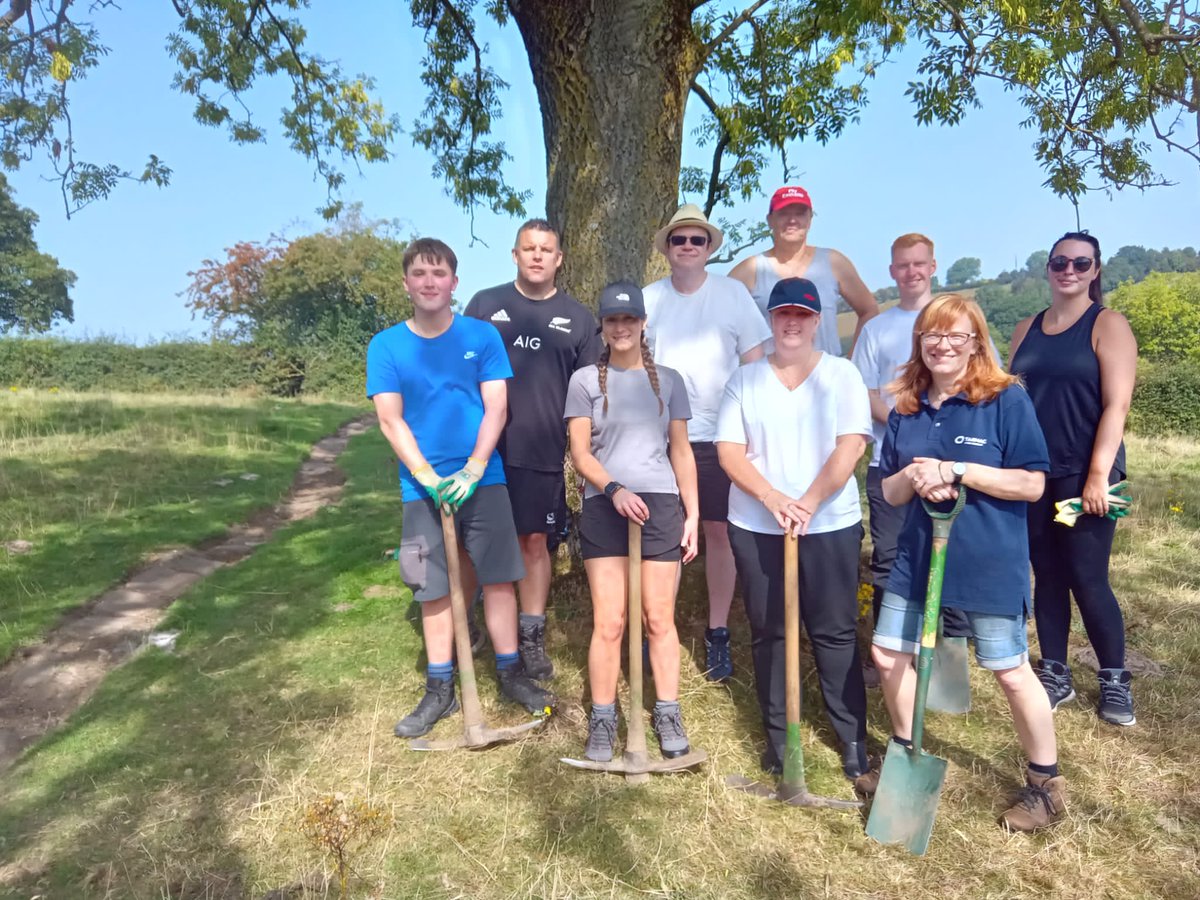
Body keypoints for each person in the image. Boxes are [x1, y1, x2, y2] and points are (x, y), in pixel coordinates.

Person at [872, 293, 1064, 832]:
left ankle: (1046, 784)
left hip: (986, 558)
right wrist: (912, 476)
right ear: (920, 343)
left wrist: (956, 469)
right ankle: (907, 757)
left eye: (956, 334)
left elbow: (1031, 484)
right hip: (917, 555)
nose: (942, 344)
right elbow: (889, 493)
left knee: (1009, 671)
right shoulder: (907, 407)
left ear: (976, 341)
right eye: (932, 334)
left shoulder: (1004, 400)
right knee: (887, 656)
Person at [366, 238, 555, 738]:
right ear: (406, 283)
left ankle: (511, 673)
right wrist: (428, 478)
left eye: (439, 273)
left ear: (454, 281)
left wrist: (472, 469)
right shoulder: (386, 345)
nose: (430, 282)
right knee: (432, 590)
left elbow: (497, 407)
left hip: (483, 479)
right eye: (420, 274)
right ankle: (439, 688)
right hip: (420, 487)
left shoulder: (482, 336)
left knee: (497, 578)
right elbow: (390, 419)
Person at [716, 277, 876, 791]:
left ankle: (852, 739)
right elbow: (729, 452)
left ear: (816, 321)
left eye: (802, 315)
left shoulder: (842, 375)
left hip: (828, 522)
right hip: (758, 524)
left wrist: (806, 503)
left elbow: (850, 446)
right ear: (770, 318)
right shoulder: (745, 381)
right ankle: (780, 738)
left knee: (834, 631)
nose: (791, 322)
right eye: (782, 313)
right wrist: (772, 498)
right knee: (769, 632)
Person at [565, 281, 700, 762]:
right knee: (611, 621)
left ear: (643, 324)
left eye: (629, 320)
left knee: (659, 619)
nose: (621, 328)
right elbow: (580, 453)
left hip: (661, 506)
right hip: (606, 506)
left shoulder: (670, 380)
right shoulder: (583, 382)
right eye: (612, 320)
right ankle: (603, 718)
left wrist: (693, 514)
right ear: (602, 327)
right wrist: (614, 490)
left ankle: (666, 711)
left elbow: (681, 452)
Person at [1009, 231, 1139, 726]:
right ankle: (1055, 673)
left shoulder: (1108, 324)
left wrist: (1099, 476)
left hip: (1088, 475)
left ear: (1095, 270)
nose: (1069, 270)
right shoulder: (1026, 329)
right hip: (1035, 474)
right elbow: (1011, 399)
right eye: (1060, 261)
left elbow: (1117, 404)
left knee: (1087, 576)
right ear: (1048, 267)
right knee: (1047, 574)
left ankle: (1114, 679)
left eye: (1081, 263)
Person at [465, 219, 600, 681]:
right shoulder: (486, 306)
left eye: (546, 249)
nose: (537, 255)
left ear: (559, 259)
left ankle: (531, 633)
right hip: (483, 448)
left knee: (534, 543)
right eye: (529, 248)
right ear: (515, 255)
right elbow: (460, 371)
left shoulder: (580, 320)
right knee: (472, 543)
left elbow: (589, 396)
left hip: (540, 450)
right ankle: (467, 624)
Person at [643, 203, 772, 682]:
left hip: (720, 435)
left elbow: (755, 364)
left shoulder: (733, 294)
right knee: (664, 536)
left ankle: (718, 631)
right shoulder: (648, 299)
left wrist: (753, 427)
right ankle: (660, 629)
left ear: (709, 248)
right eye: (680, 240)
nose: (689, 248)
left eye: (698, 240)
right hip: (663, 435)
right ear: (668, 249)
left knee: (718, 532)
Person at [851, 234, 971, 680]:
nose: (912, 272)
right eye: (903, 265)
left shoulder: (957, 322)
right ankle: (888, 650)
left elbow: (984, 381)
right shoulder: (877, 329)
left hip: (954, 465)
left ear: (933, 266)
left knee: (951, 554)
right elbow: (860, 390)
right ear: (892, 272)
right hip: (891, 461)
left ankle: (949, 659)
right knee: (890, 557)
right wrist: (906, 424)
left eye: (919, 263)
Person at [729, 186, 878, 356]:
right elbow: (718, 321)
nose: (792, 220)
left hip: (826, 380)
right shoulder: (749, 271)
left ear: (810, 219)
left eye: (799, 213)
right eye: (784, 213)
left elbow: (869, 310)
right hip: (771, 379)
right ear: (770, 220)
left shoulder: (834, 262)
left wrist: (853, 362)